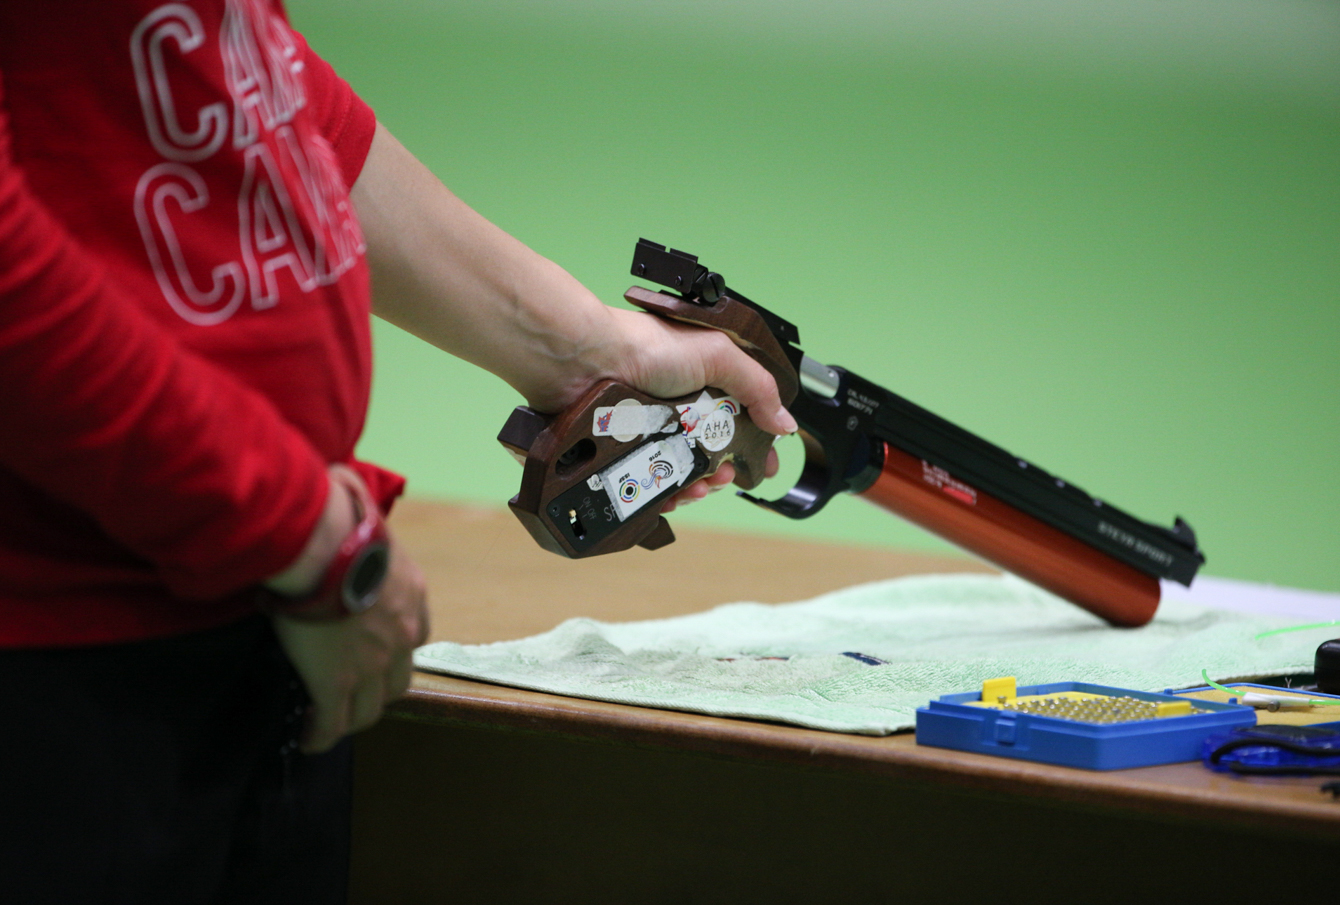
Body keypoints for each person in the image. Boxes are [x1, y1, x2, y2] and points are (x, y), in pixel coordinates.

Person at [0, 2, 793, 903]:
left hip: (269, 622)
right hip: (70, 673)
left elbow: (245, 86)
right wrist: (305, 535)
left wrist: (587, 349)